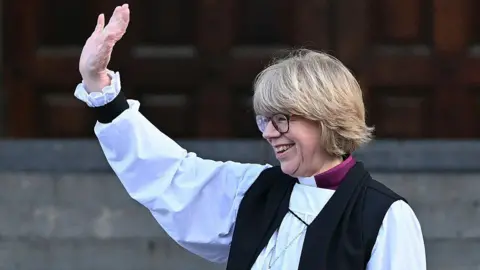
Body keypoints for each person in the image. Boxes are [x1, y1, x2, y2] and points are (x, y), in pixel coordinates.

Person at [74, 4, 427, 270]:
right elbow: (170, 175)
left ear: (327, 117)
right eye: (264, 120)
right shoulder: (255, 191)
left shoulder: (384, 216)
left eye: (282, 119)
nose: (270, 133)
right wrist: (100, 87)